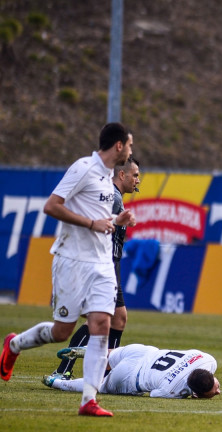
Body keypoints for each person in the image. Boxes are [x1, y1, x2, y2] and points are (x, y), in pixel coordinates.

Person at [1, 122, 135, 417]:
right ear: (118, 146)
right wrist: (91, 224)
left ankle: (89, 399)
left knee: (102, 323)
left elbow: (100, 221)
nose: (130, 150)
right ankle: (14, 344)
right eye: (130, 145)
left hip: (102, 264)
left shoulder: (108, 179)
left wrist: (117, 222)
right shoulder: (84, 168)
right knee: (62, 332)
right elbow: (51, 206)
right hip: (71, 261)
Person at [49, 156, 141, 382]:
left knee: (118, 318)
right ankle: (64, 370)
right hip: (102, 264)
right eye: (135, 175)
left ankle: (107, 371)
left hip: (111, 263)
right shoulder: (111, 197)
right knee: (103, 318)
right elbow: (95, 228)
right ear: (122, 174)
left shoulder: (115, 197)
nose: (138, 180)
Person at [44, 344, 220, 399]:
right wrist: (188, 393)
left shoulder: (208, 360)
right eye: (215, 389)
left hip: (145, 351)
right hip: (131, 376)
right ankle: (56, 382)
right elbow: (154, 394)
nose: (219, 391)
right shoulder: (171, 389)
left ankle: (86, 350)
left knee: (110, 355)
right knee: (100, 385)